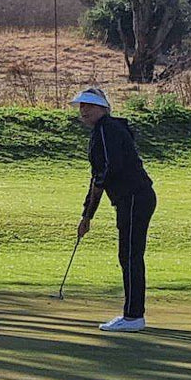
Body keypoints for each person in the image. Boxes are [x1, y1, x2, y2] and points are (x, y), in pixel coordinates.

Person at [73, 87, 156, 333]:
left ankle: (133, 316)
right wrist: (87, 215)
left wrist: (99, 185)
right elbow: (98, 175)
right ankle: (133, 314)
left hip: (134, 197)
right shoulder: (103, 130)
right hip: (132, 198)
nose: (83, 110)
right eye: (81, 106)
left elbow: (109, 168)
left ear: (103, 108)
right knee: (129, 255)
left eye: (89, 105)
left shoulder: (107, 129)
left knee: (130, 255)